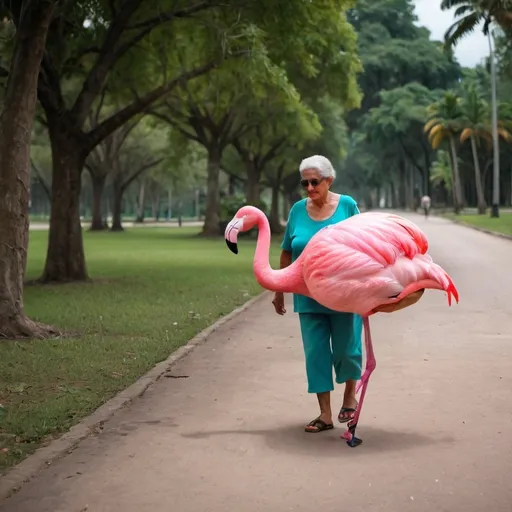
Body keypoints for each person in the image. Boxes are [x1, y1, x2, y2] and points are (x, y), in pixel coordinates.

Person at [272, 155, 363, 433]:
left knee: (348, 351)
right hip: (307, 296)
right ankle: (324, 414)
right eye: (305, 183)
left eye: (315, 182)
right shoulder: (298, 210)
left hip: (344, 295)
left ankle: (350, 395)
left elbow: (365, 242)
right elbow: (287, 250)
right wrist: (279, 289)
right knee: (315, 354)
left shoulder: (346, 205)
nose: (309, 188)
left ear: (329, 180)